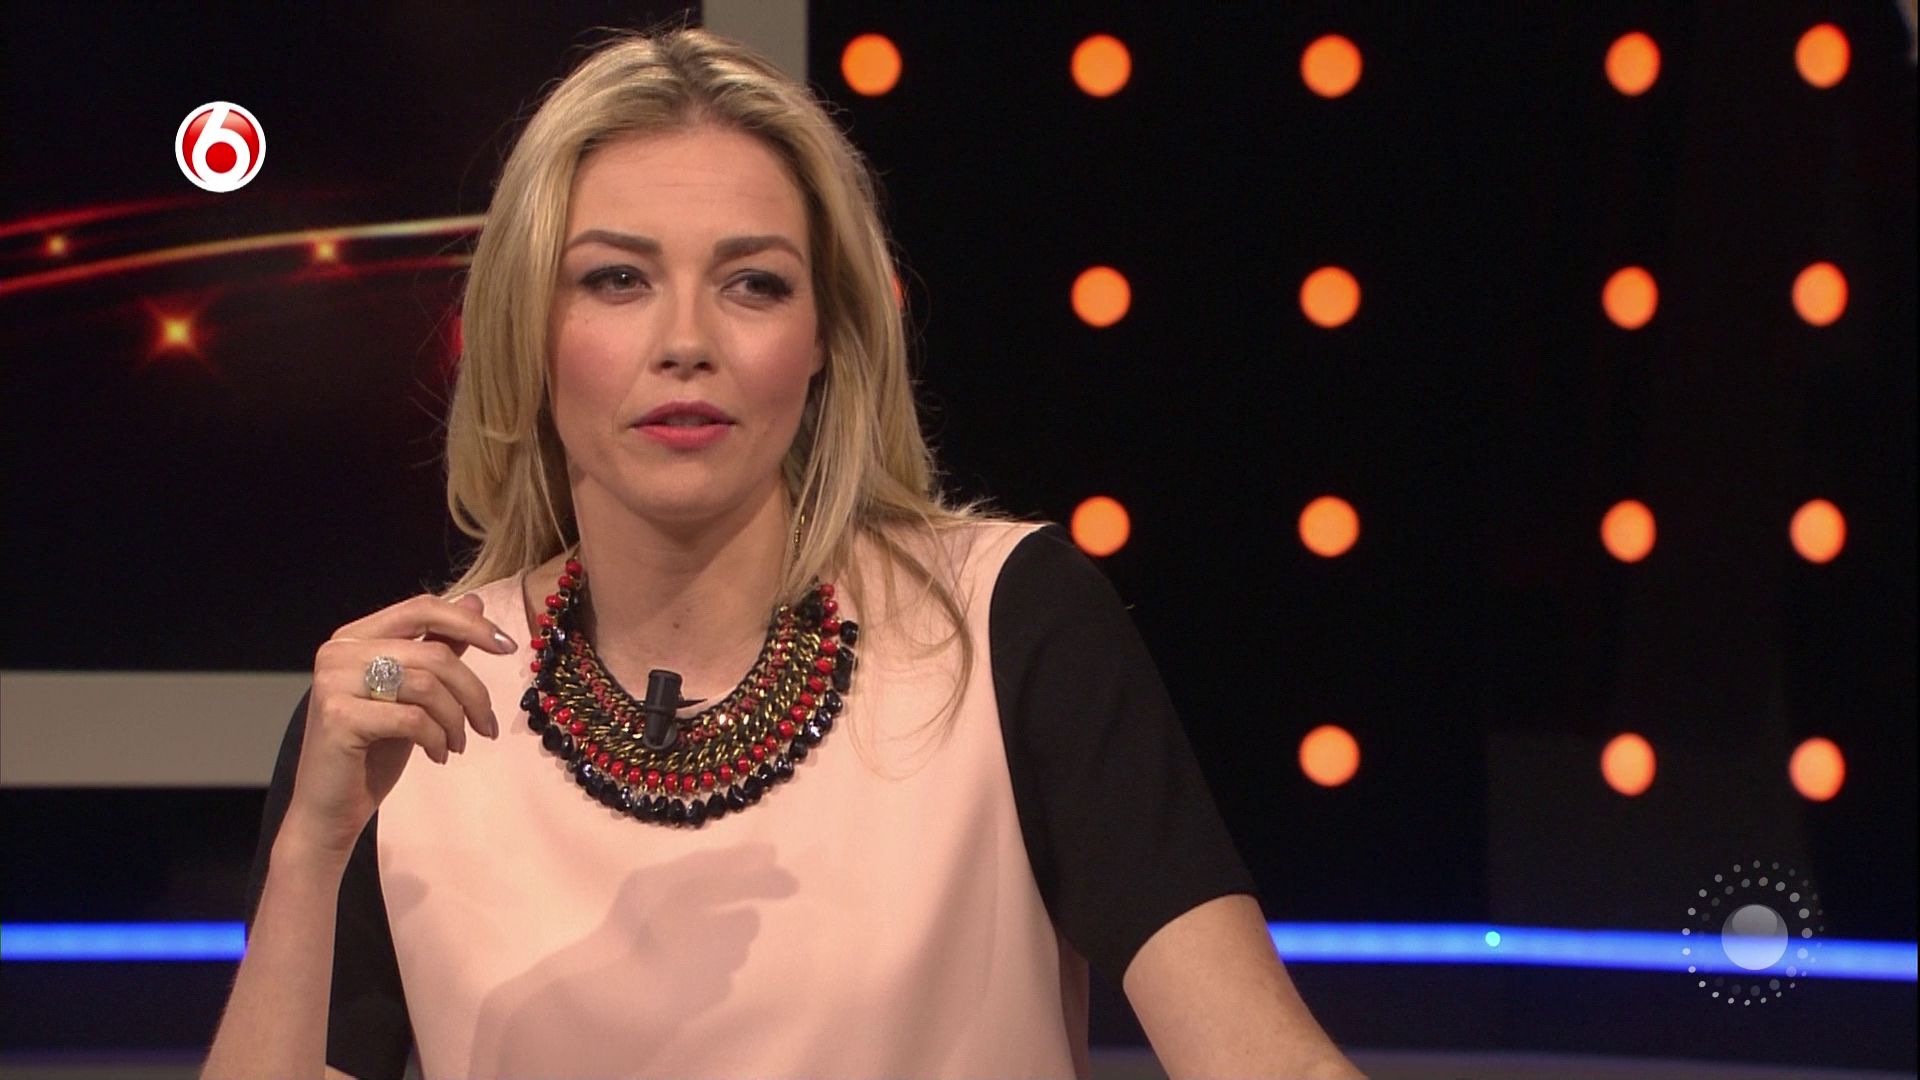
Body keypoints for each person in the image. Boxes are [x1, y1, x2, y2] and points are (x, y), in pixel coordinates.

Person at [202, 25, 1365, 1080]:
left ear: (823, 342)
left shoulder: (1008, 622)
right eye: (617, 279)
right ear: (527, 329)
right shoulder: (401, 709)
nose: (687, 341)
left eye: (753, 284)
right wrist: (311, 849)